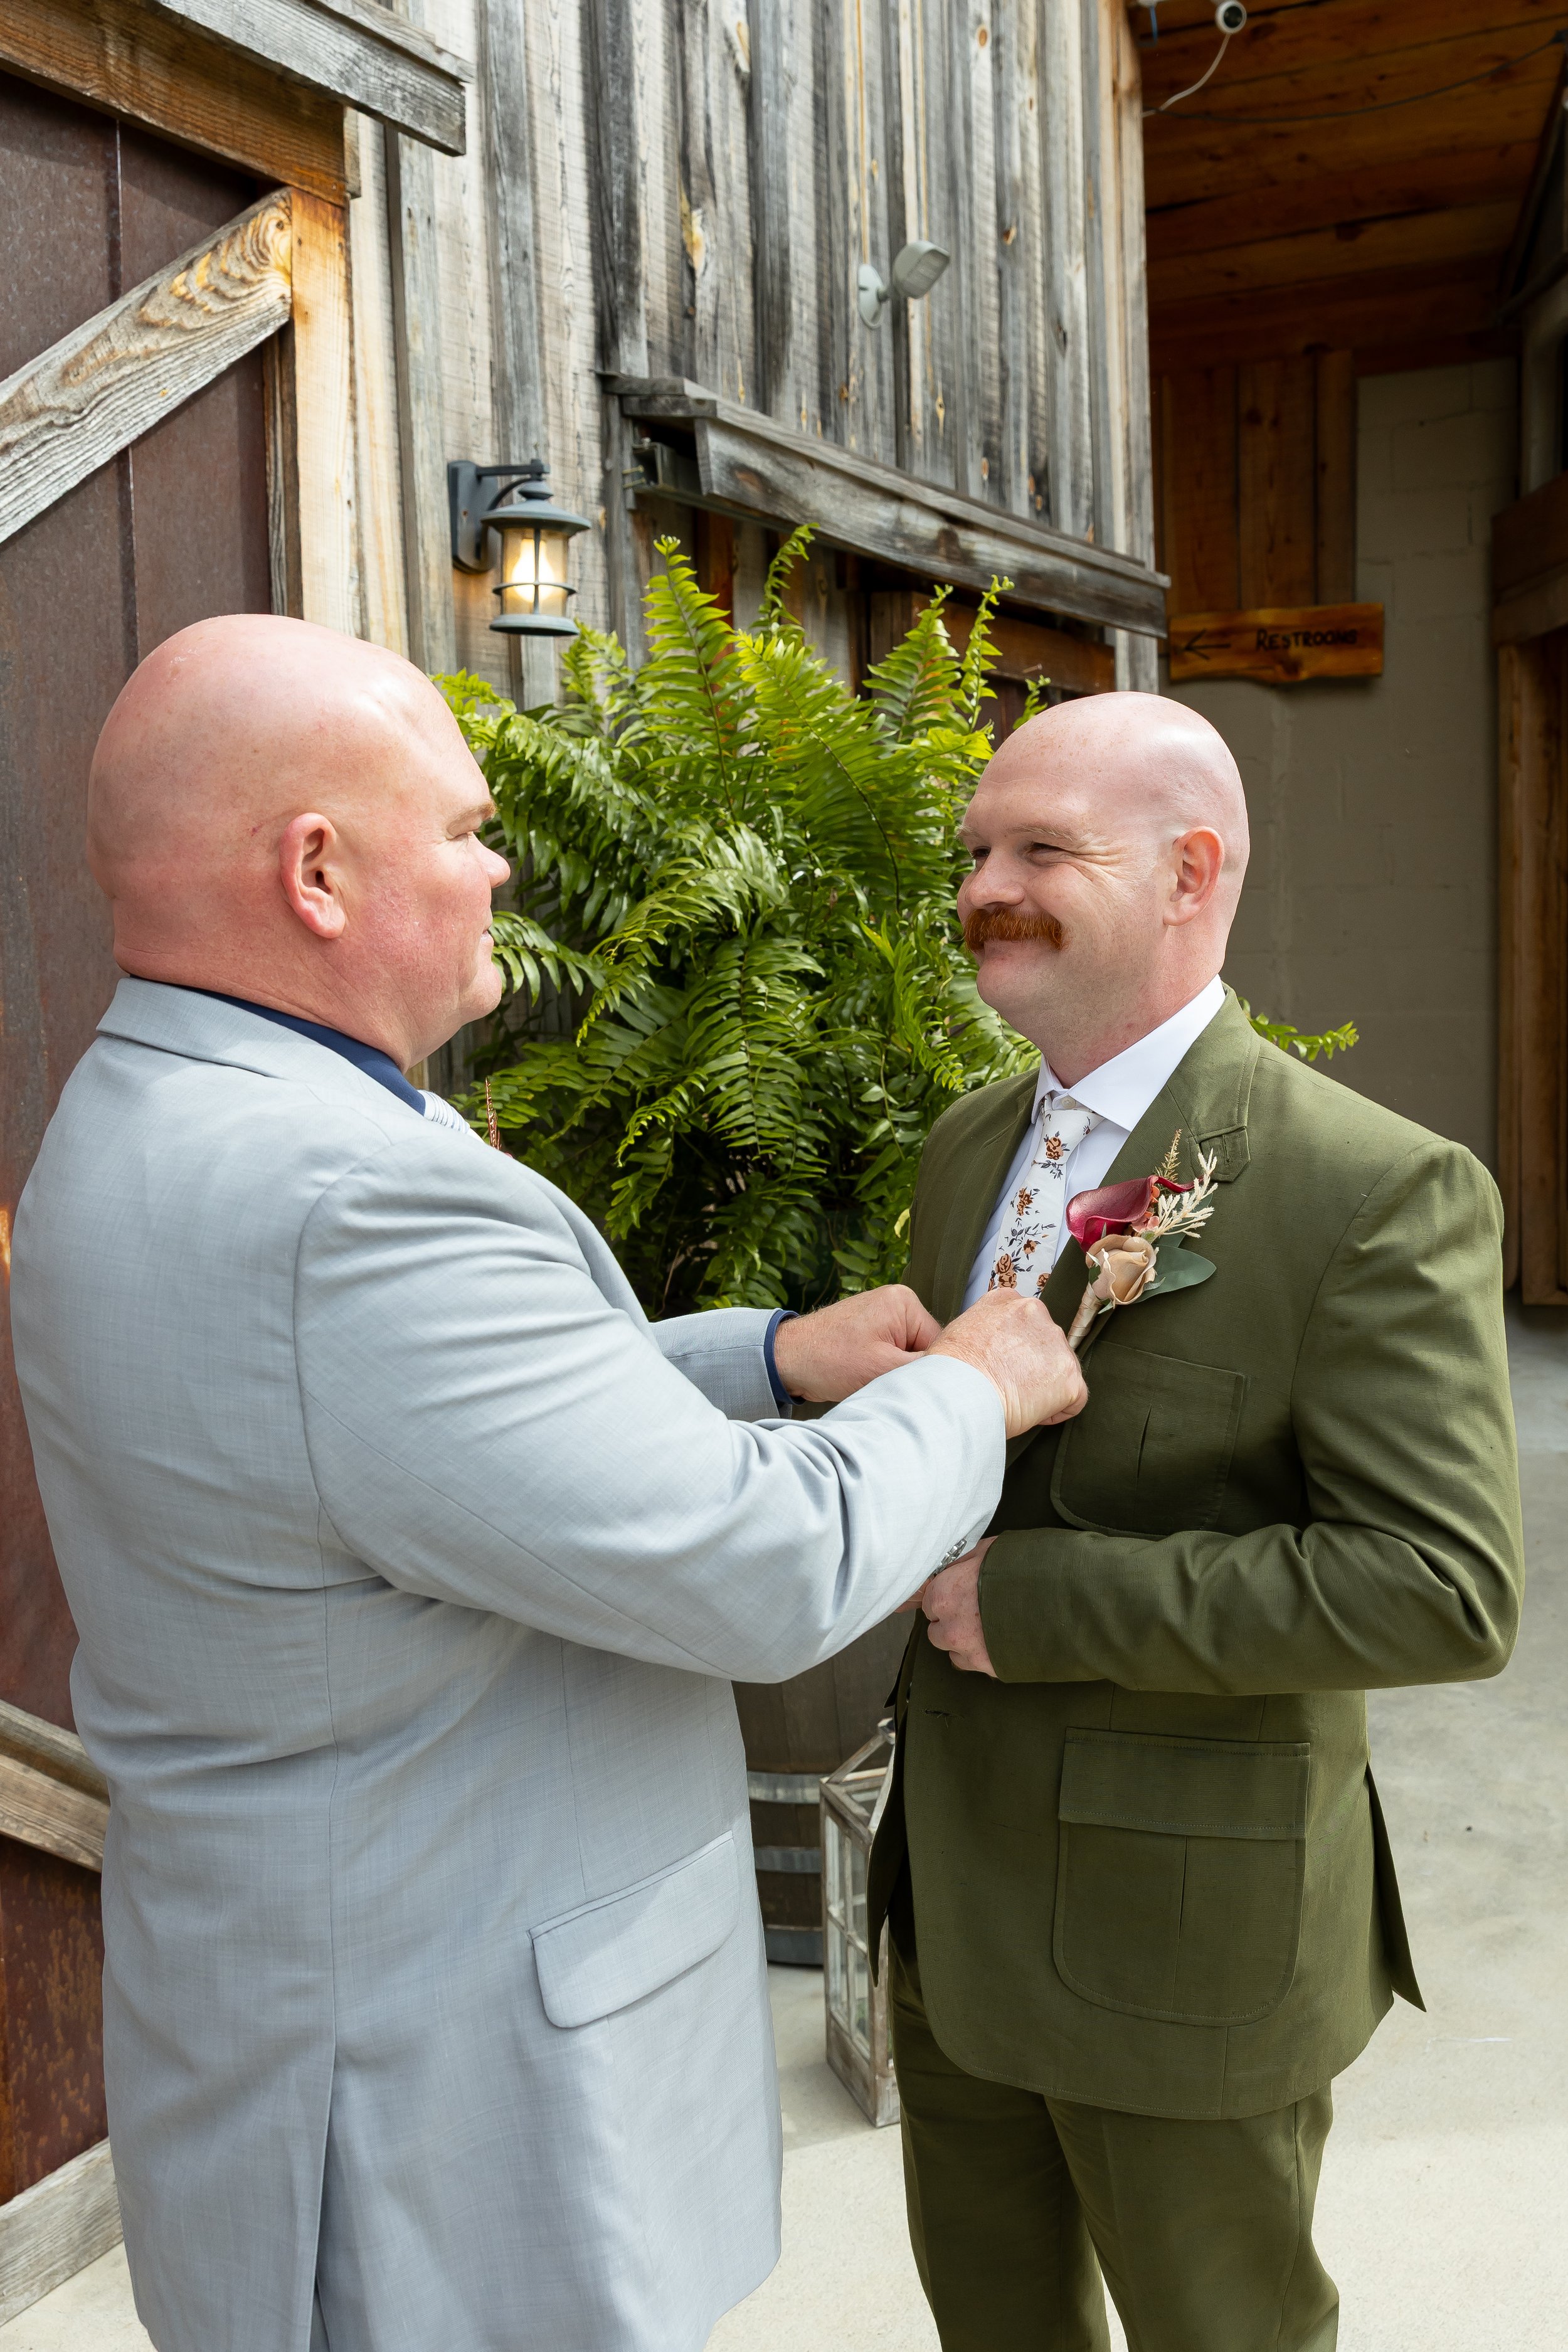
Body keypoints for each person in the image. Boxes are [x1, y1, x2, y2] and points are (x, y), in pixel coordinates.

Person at [9, 613, 1088, 2352]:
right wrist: (975, 1388)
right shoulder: (343, 1200)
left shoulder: (155, 1108)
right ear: (317, 874)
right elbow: (763, 1564)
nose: (503, 861)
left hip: (308, 2015)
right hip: (441, 2107)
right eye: (456, 827)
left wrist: (757, 1358)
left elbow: (377, 1457)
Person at [869, 692, 1525, 2352]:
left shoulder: (1365, 1186)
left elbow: (1441, 1592)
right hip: (948, 1908)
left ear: (1188, 872)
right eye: (973, 853)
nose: (982, 889)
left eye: (1041, 851)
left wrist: (1042, 1606)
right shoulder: (964, 1151)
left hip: (1183, 1937)